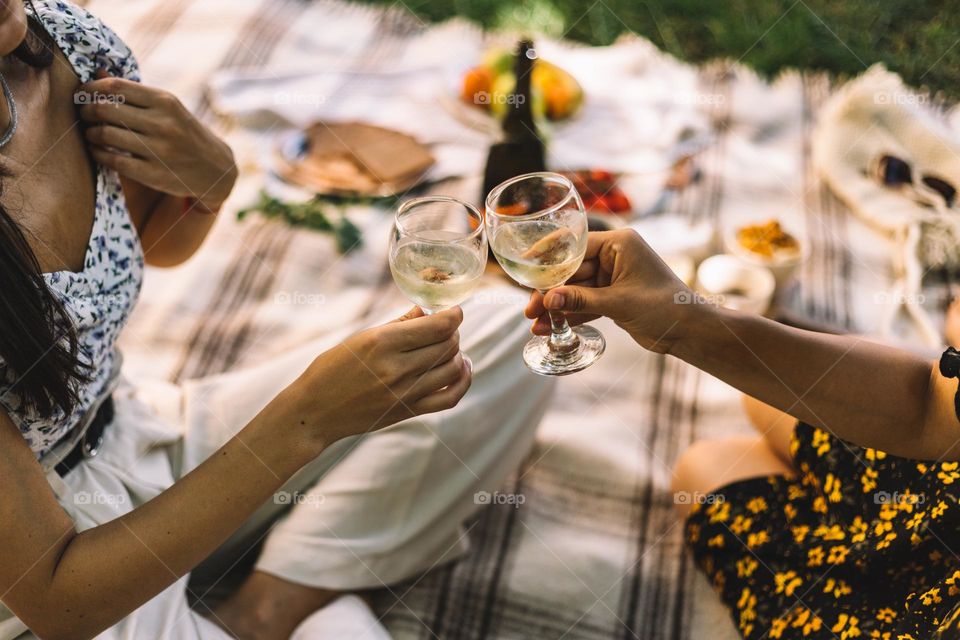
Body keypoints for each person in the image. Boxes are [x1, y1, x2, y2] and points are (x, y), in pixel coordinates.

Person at [0, 1, 553, 638]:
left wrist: (209, 184)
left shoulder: (58, 43)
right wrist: (307, 420)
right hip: (55, 570)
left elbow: (147, 245)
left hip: (137, 428)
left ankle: (267, 607)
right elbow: (56, 599)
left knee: (505, 327)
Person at [525, 228, 960, 639]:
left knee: (703, 469)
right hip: (944, 495)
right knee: (763, 400)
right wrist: (685, 322)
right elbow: (928, 407)